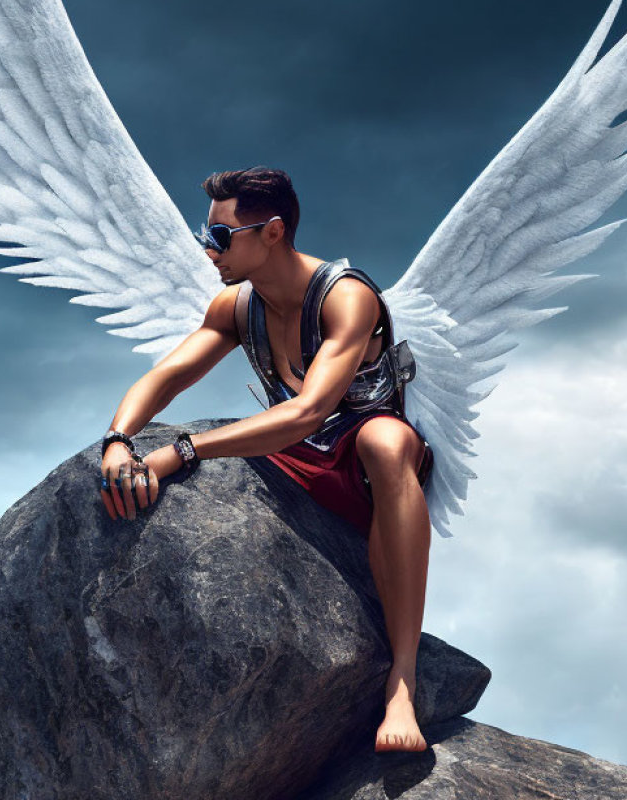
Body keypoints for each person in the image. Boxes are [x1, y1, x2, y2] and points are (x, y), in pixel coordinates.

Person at [99, 166, 434, 753]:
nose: (208, 250)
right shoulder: (235, 306)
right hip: (291, 456)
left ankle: (402, 681)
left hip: (361, 464)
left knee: (388, 441)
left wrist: (182, 450)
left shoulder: (347, 297)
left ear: (272, 232)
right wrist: (119, 440)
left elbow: (309, 412)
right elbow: (168, 376)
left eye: (221, 237)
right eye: (206, 235)